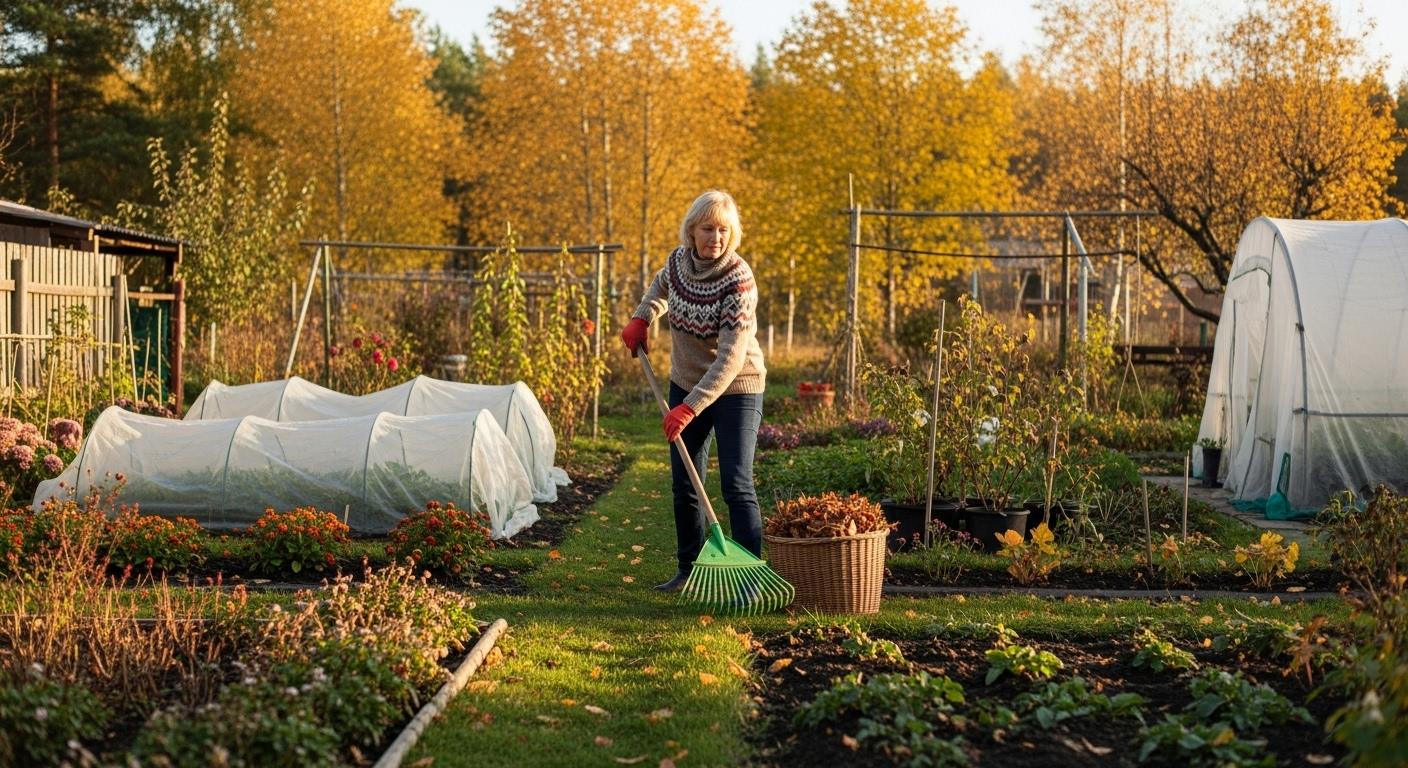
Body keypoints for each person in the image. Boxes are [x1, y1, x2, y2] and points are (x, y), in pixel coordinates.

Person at [620, 190, 766, 592]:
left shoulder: (739, 278)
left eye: (723, 230)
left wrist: (690, 408)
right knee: (685, 482)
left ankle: (751, 577)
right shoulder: (678, 263)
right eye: (707, 229)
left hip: (737, 387)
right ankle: (689, 569)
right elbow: (659, 289)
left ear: (731, 234)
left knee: (736, 482)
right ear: (692, 230)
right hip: (685, 380)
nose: (714, 238)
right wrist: (642, 318)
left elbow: (732, 357)